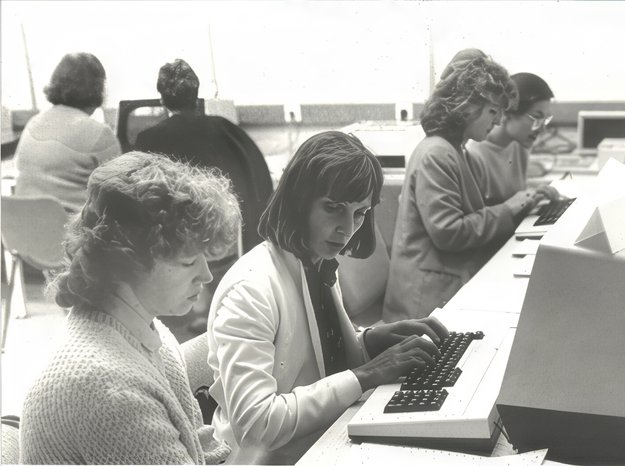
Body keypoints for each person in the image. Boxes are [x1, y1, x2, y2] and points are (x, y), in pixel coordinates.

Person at [207, 131, 449, 464]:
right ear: (298, 201)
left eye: (359, 213)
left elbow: (316, 364)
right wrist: (367, 374)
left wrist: (369, 343)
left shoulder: (315, 261)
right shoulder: (251, 290)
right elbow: (257, 425)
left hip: (323, 438)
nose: (347, 229)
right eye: (333, 209)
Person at [20, 152, 240, 464]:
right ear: (128, 261)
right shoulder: (109, 391)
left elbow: (196, 444)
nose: (206, 275)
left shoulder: (145, 329)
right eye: (188, 261)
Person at [383, 52, 526, 322]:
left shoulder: (457, 150)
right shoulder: (437, 153)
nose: (497, 122)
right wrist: (508, 210)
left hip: (440, 286)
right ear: (466, 107)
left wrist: (515, 207)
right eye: (493, 111)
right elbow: (448, 232)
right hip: (423, 304)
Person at [135, 58, 272, 254]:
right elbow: (258, 177)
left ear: (162, 99)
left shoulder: (148, 139)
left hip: (178, 243)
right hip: (225, 238)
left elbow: (142, 197)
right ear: (196, 96)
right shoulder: (224, 129)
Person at [14, 52, 120, 213]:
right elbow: (120, 194)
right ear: (98, 89)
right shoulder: (99, 133)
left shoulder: (33, 123)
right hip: (74, 234)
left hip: (22, 233)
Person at [465, 72, 559, 206]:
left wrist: (534, 194)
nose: (542, 129)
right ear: (508, 112)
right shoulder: (474, 154)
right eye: (537, 118)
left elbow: (515, 198)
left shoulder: (520, 144)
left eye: (545, 120)